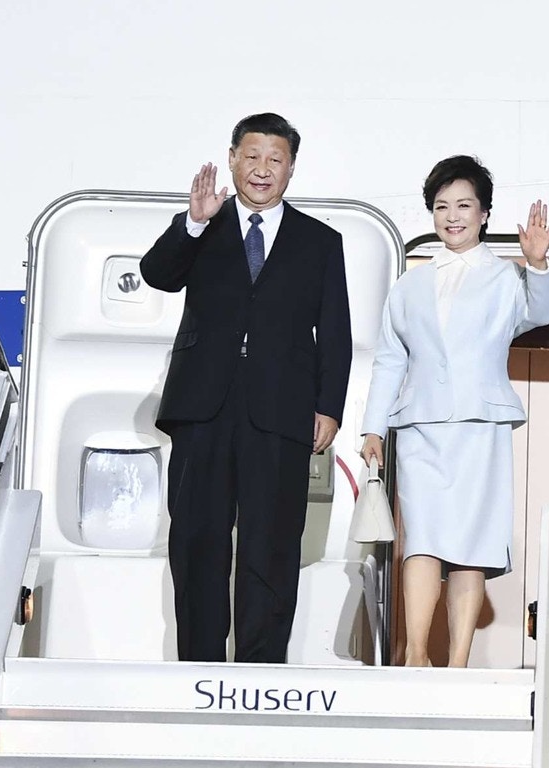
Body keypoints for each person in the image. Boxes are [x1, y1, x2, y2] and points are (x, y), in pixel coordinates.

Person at [140, 113, 352, 663]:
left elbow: (335, 332)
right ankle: (198, 668)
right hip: (203, 406)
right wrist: (192, 222)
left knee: (272, 544)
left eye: (275, 159)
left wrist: (329, 407)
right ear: (232, 158)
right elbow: (158, 273)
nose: (262, 169)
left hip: (281, 409)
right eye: (252, 156)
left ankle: (262, 670)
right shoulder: (202, 223)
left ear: (291, 168)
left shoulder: (320, 241)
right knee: (198, 539)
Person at [360, 155, 549, 667]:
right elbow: (390, 359)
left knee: (472, 543)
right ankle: (416, 655)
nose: (452, 216)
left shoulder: (507, 278)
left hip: (480, 425)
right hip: (420, 425)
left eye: (464, 205)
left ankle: (458, 662)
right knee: (421, 539)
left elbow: (544, 312)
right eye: (442, 206)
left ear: (484, 213)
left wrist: (538, 265)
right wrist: (373, 428)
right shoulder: (409, 286)